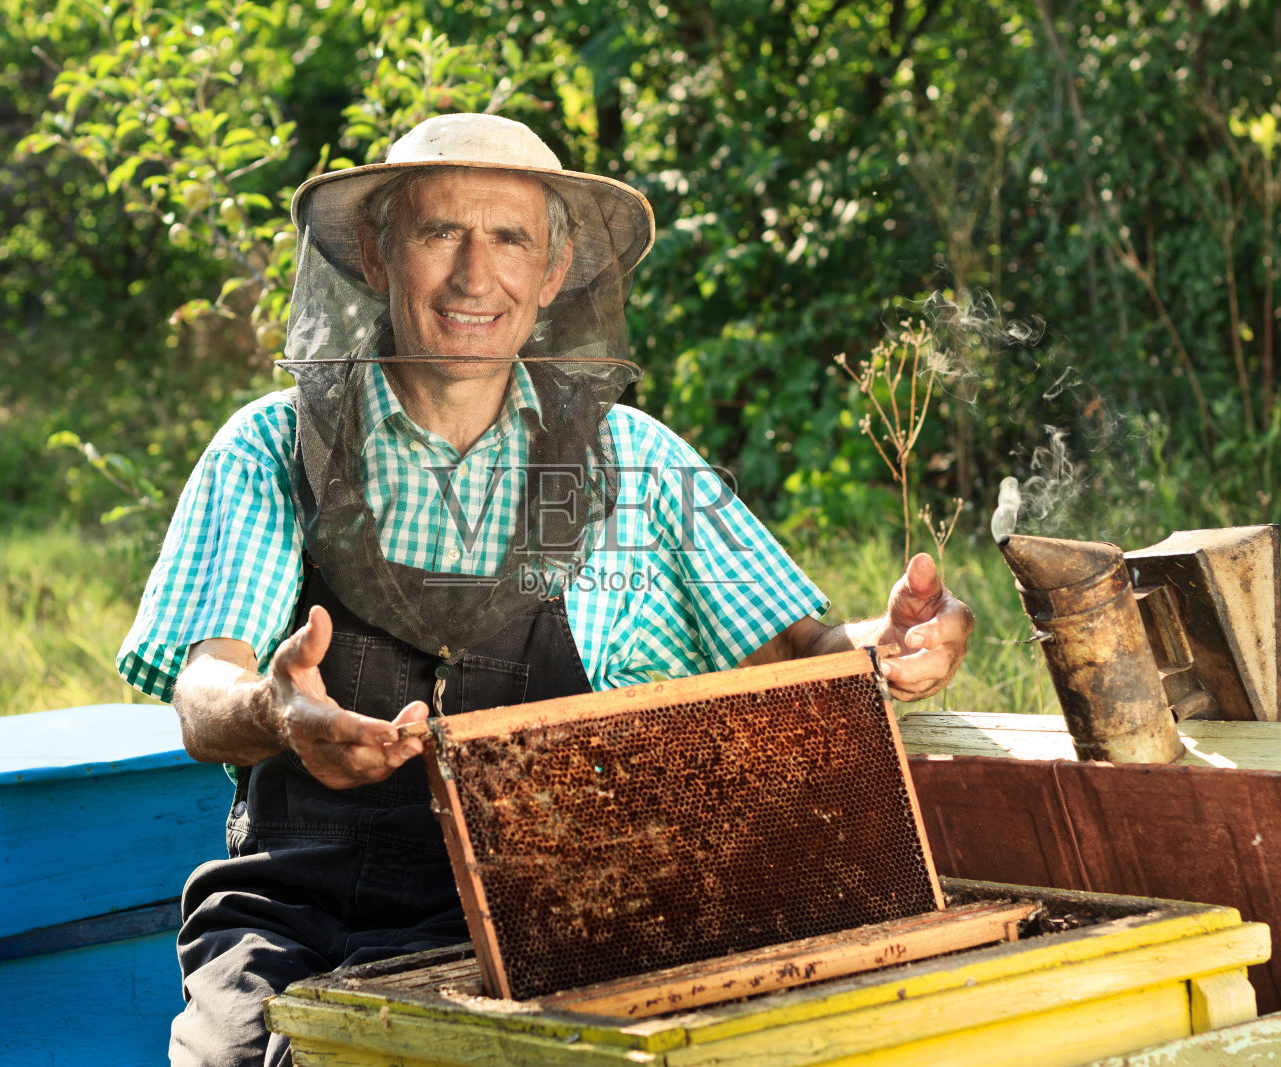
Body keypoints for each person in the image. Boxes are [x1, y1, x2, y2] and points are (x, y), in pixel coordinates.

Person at [117, 113, 973, 1067]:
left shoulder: (630, 461)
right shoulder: (273, 448)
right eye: (441, 232)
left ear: (555, 273)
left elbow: (798, 654)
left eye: (511, 238)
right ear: (373, 253)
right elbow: (203, 694)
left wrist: (892, 648)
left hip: (549, 926)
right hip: (296, 919)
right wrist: (277, 711)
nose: (476, 275)